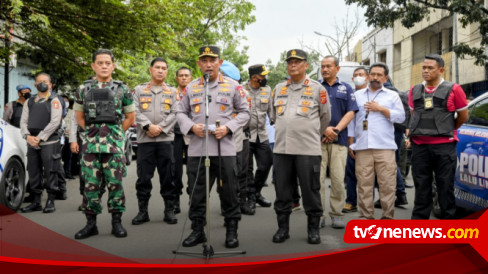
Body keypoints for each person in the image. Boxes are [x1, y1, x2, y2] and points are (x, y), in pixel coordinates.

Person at [176, 46, 250, 248]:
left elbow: (244, 112)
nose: (208, 64)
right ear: (199, 63)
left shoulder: (234, 86)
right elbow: (180, 112)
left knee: (229, 191)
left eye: (212, 60)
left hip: (224, 149)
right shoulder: (191, 87)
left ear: (220, 62)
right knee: (197, 192)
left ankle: (232, 230)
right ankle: (198, 230)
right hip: (198, 149)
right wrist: (191, 127)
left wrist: (228, 127)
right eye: (204, 60)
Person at [73, 49, 135, 239]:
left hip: (114, 146)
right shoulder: (83, 89)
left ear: (113, 66)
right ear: (93, 66)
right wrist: (93, 133)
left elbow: (130, 117)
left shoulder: (122, 89)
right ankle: (90, 224)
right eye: (100, 63)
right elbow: (79, 116)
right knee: (90, 185)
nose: (104, 66)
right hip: (91, 146)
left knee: (115, 184)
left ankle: (116, 223)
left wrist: (114, 134)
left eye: (108, 62)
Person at [271, 49, 331, 244]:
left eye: (297, 62)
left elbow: (325, 117)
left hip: (307, 150)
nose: (293, 65)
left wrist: (310, 133)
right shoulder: (278, 88)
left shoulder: (317, 89)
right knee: (282, 191)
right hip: (281, 150)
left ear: (306, 65)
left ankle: (313, 230)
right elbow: (273, 115)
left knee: (310, 191)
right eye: (290, 62)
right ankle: (283, 229)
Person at [409, 54, 468, 219]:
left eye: (430, 68)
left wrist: (448, 129)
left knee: (445, 188)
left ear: (441, 70)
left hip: (444, 147)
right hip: (420, 146)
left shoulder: (454, 89)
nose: (425, 71)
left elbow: (463, 116)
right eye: (424, 67)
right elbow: (415, 115)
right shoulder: (415, 90)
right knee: (421, 188)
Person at [348, 63, 405, 220]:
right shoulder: (357, 96)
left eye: (379, 75)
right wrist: (351, 143)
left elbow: (401, 117)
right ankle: (366, 216)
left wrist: (381, 109)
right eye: (372, 74)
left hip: (385, 147)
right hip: (362, 146)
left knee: (387, 184)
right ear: (367, 77)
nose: (375, 77)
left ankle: (387, 216)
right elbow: (351, 122)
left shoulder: (392, 96)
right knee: (364, 184)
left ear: (385, 78)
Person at [131, 57, 179, 225]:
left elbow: (176, 112)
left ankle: (169, 210)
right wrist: (147, 126)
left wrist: (161, 128)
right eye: (157, 67)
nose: (160, 70)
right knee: (143, 177)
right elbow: (134, 110)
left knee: (168, 177)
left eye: (164, 68)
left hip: (166, 140)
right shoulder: (139, 89)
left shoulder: (172, 92)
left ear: (167, 71)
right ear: (150, 70)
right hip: (145, 141)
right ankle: (142, 212)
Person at [319, 56, 358, 229]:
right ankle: (318, 214)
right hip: (317, 140)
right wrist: (324, 129)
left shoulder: (346, 88)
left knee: (337, 179)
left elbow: (351, 112)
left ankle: (336, 214)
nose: (325, 69)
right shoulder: (315, 87)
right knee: (317, 180)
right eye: (322, 66)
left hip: (339, 140)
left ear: (337, 68)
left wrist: (335, 131)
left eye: (328, 66)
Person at [20, 73, 63, 213]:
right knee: (33, 171)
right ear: (35, 85)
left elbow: (55, 122)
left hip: (49, 141)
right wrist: (27, 136)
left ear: (51, 85)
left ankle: (50, 200)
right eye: (39, 82)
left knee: (51, 171)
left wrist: (40, 137)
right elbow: (23, 121)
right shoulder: (29, 102)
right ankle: (36, 201)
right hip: (32, 142)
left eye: (45, 81)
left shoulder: (54, 100)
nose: (42, 84)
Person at [244, 64, 273, 211]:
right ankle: (250, 197)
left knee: (266, 164)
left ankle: (256, 192)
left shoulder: (267, 90)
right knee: (247, 168)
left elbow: (271, 111)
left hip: (262, 135)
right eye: (262, 76)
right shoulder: (241, 89)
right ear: (254, 77)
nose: (265, 78)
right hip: (246, 135)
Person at [343, 67, 369, 214]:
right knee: (351, 172)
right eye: (356, 75)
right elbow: (351, 121)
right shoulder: (352, 95)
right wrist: (351, 142)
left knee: (369, 177)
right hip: (356, 140)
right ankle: (351, 201)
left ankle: (367, 206)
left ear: (367, 77)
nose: (358, 77)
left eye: (361, 75)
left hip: (372, 142)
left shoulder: (376, 94)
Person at [173, 66, 192, 214]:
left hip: (192, 136)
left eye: (186, 75)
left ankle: (194, 200)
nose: (184, 78)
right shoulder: (171, 93)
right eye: (181, 76)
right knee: (175, 170)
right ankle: (175, 202)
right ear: (177, 78)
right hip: (175, 135)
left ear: (191, 78)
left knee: (193, 170)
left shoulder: (196, 92)